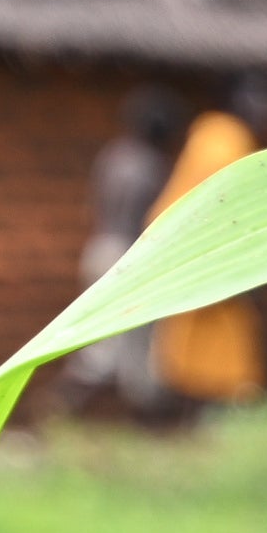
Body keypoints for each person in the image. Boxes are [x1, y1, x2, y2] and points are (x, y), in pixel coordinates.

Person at [152, 77, 267, 410]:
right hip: (203, 254)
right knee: (215, 345)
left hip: (187, 250)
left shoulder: (211, 133)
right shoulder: (226, 139)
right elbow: (226, 205)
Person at [74, 86, 178, 409]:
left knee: (101, 345)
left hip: (99, 249)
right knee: (120, 349)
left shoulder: (113, 155)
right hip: (127, 258)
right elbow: (150, 218)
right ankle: (63, 408)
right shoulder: (149, 164)